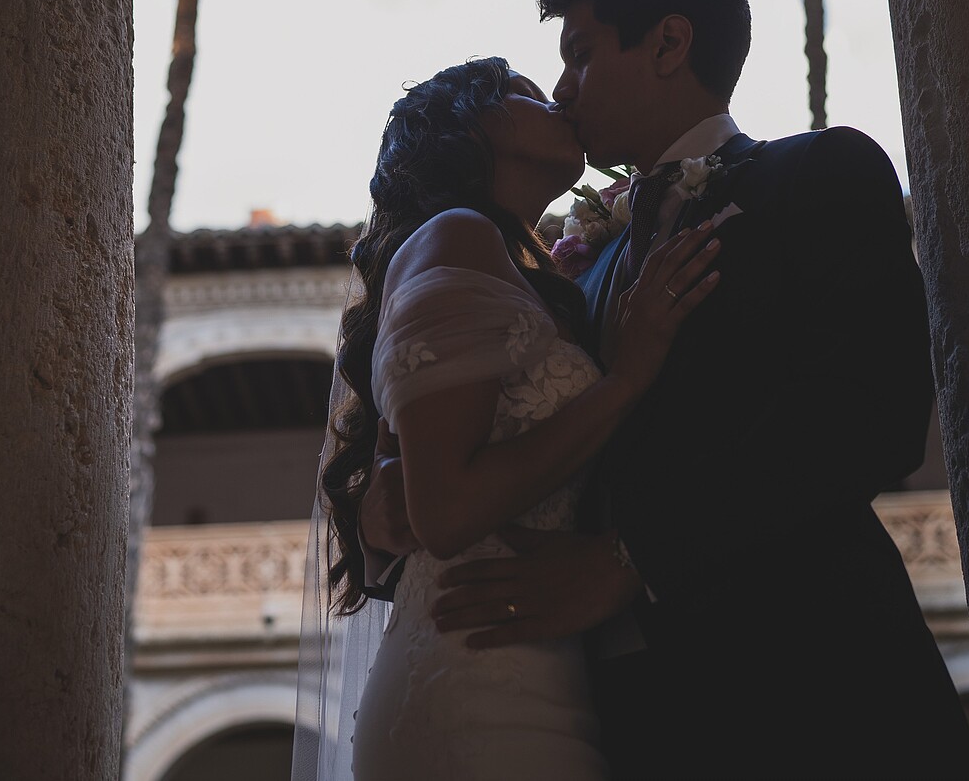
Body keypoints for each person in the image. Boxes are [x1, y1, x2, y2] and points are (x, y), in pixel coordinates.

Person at [358, 0, 969, 779]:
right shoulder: (573, 274)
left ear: (668, 43)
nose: (564, 89)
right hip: (627, 723)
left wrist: (635, 560)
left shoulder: (813, 177)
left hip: (812, 686)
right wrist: (387, 497)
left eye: (579, 54)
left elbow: (873, 414)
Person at [301, 56, 721, 780]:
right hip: (476, 682)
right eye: (526, 93)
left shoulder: (523, 269)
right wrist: (624, 380)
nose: (560, 98)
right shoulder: (456, 234)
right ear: (474, 126)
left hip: (536, 665)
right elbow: (448, 510)